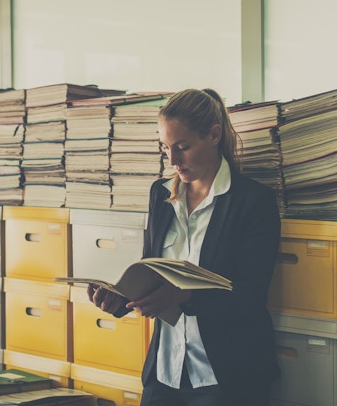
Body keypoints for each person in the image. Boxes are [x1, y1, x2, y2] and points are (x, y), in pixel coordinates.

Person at [87, 88, 281, 406]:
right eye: (166, 149)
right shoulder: (161, 195)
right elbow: (149, 273)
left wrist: (185, 294)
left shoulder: (252, 202)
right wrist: (120, 300)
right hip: (165, 373)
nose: (173, 161)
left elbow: (251, 294)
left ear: (214, 135)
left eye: (183, 147)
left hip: (227, 376)